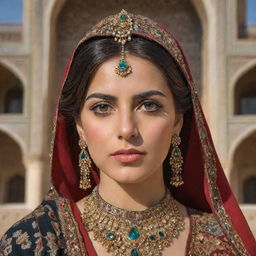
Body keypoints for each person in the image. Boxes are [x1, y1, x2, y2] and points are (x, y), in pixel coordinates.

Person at [0, 9, 255, 256]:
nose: (126, 130)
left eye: (149, 106)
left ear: (178, 120)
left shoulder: (222, 245)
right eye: (102, 107)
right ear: (79, 125)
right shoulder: (36, 242)